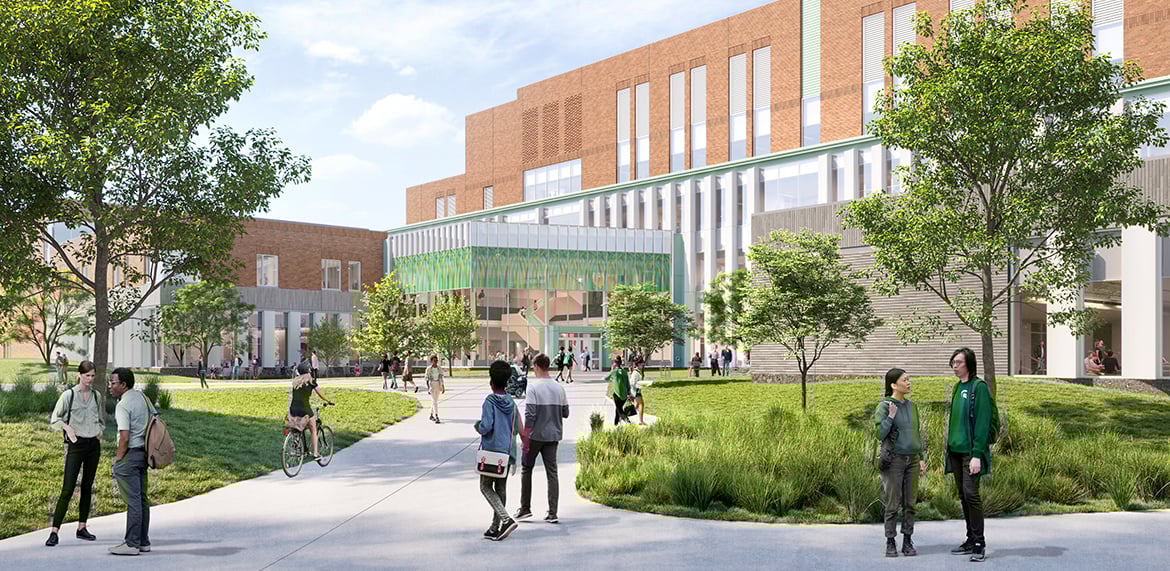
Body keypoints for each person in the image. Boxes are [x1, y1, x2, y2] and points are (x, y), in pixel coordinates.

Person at [46, 360, 105, 547]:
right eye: (87, 376)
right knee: (68, 488)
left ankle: (81, 528)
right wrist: (67, 428)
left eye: (93, 376)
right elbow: (55, 419)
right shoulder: (68, 395)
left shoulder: (97, 395)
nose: (90, 379)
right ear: (79, 374)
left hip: (93, 446)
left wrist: (100, 430)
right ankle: (54, 532)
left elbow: (101, 420)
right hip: (76, 445)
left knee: (88, 487)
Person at [873, 368, 928, 558]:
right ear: (894, 385)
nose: (909, 382)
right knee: (892, 503)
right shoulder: (884, 406)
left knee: (910, 503)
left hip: (912, 459)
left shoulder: (912, 406)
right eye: (905, 380)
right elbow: (880, 434)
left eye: (909, 379)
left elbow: (916, 433)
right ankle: (890, 541)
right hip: (894, 460)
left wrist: (920, 458)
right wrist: (890, 416)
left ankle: (907, 541)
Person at [945, 348, 993, 562]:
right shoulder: (957, 387)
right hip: (955, 452)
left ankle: (979, 543)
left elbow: (982, 423)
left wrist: (976, 455)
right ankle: (969, 538)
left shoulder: (978, 387)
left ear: (969, 364)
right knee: (964, 496)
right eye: (953, 363)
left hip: (969, 454)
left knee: (971, 495)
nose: (955, 366)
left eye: (959, 363)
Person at [515, 353, 569, 524]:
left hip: (535, 436)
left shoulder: (533, 387)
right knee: (552, 473)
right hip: (553, 436)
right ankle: (552, 512)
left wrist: (525, 436)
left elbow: (530, 415)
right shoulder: (559, 388)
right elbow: (566, 413)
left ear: (536, 366)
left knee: (527, 469)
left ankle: (525, 508)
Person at [474, 361, 523, 541]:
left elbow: (486, 427)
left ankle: (505, 519)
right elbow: (517, 427)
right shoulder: (511, 402)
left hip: (491, 452)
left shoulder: (490, 401)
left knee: (485, 486)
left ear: (491, 381)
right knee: (501, 488)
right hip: (507, 451)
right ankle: (495, 527)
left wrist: (477, 426)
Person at [108, 368, 151, 556]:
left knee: (133, 501)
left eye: (113, 383)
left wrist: (118, 459)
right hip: (144, 454)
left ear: (123, 384)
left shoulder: (123, 405)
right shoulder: (142, 398)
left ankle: (131, 544)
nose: (110, 386)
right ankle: (143, 542)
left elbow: (124, 437)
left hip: (130, 455)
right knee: (141, 499)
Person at [287, 362, 334, 458]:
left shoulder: (296, 382)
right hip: (305, 409)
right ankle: (315, 454)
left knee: (300, 426)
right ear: (308, 371)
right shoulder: (312, 382)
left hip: (293, 409)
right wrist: (328, 401)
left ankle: (296, 441)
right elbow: (320, 394)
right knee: (313, 429)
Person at [607, 356, 631, 425]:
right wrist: (629, 393)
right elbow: (627, 384)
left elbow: (607, 378)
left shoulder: (614, 372)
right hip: (624, 395)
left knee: (619, 409)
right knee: (618, 409)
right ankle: (615, 424)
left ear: (615, 363)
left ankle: (627, 421)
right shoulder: (624, 372)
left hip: (617, 395)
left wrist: (611, 370)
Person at [425, 355, 446, 423]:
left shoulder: (439, 368)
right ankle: (436, 415)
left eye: (436, 361)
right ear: (431, 361)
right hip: (432, 385)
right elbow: (426, 379)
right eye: (434, 361)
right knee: (434, 401)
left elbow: (441, 377)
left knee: (435, 401)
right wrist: (428, 388)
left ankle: (431, 415)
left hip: (438, 384)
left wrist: (443, 386)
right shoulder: (429, 369)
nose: (436, 362)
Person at [631, 359, 647, 425]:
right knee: (641, 404)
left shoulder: (639, 372)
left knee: (636, 405)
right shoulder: (635, 373)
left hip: (637, 390)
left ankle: (623, 415)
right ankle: (641, 421)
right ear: (637, 364)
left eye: (642, 364)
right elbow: (632, 383)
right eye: (641, 364)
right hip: (636, 391)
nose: (642, 365)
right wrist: (640, 384)